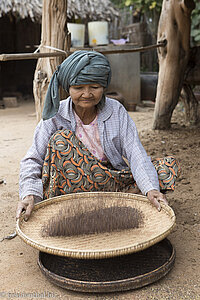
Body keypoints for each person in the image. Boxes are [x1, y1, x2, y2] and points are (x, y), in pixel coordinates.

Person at [16, 50, 180, 221]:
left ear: (104, 86)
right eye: (78, 88)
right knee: (61, 140)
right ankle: (115, 200)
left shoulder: (116, 110)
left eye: (94, 87)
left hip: (109, 179)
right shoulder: (55, 115)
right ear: (68, 88)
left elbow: (135, 152)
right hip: (70, 184)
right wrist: (29, 195)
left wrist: (151, 188)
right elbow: (32, 159)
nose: (87, 94)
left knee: (166, 168)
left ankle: (110, 197)